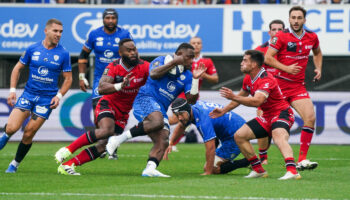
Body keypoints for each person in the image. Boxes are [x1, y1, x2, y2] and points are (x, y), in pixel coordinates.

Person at [106, 43, 206, 177]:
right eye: (189, 57)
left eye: (193, 58)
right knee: (158, 121)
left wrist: (195, 79)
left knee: (163, 139)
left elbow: (191, 100)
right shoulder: (161, 60)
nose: (192, 61)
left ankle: (150, 168)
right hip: (145, 99)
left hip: (160, 109)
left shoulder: (188, 75)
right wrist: (173, 63)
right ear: (179, 56)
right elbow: (153, 74)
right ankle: (117, 140)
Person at [54, 39, 149, 175]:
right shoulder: (113, 66)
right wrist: (120, 85)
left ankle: (68, 165)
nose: (133, 52)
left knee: (103, 146)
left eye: (134, 49)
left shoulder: (144, 66)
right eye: (129, 50)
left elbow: (157, 75)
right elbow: (102, 87)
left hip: (124, 112)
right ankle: (68, 149)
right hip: (108, 104)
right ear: (120, 53)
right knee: (106, 130)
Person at [210, 50, 301, 180]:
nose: (241, 63)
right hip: (267, 116)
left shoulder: (266, 79)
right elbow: (241, 97)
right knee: (239, 136)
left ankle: (292, 171)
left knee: (278, 136)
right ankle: (258, 170)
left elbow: (257, 101)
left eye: (244, 60)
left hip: (282, 113)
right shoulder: (249, 78)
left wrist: (234, 96)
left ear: (253, 64)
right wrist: (224, 110)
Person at [0, 19, 72, 173]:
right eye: (55, 31)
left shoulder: (63, 53)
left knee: (29, 133)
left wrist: (58, 96)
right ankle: (5, 136)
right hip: (29, 94)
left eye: (60, 32)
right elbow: (17, 68)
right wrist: (12, 90)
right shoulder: (33, 48)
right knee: (11, 128)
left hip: (46, 100)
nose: (58, 34)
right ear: (46, 31)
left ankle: (14, 164)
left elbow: (68, 79)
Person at [265, 6, 323, 170]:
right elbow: (268, 58)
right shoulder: (281, 37)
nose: (296, 21)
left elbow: (317, 53)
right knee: (267, 124)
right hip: (279, 86)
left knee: (310, 118)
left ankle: (302, 159)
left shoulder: (312, 37)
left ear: (304, 20)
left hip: (297, 87)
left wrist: (318, 68)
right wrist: (286, 68)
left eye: (299, 18)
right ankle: (261, 157)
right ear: (289, 19)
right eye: (293, 18)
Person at [78, 8, 132, 160]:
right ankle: (102, 144)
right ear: (103, 19)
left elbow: (132, 54)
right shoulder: (94, 34)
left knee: (118, 113)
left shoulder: (124, 34)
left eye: (113, 18)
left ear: (117, 20)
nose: (110, 21)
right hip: (100, 80)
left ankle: (112, 147)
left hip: (119, 80)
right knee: (99, 110)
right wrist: (82, 76)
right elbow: (83, 55)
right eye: (107, 18)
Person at [164, 99, 249, 175]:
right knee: (211, 156)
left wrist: (208, 171)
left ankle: (248, 161)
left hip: (236, 135)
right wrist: (171, 142)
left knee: (212, 168)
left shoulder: (203, 120)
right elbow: (181, 126)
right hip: (236, 127)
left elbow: (210, 147)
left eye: (181, 114)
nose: (179, 118)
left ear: (188, 110)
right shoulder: (192, 107)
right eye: (176, 115)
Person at [169, 36, 219, 150]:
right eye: (193, 43)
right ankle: (159, 126)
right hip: (180, 93)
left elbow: (215, 79)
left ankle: (170, 143)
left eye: (198, 43)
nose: (196, 45)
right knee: (179, 119)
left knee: (185, 120)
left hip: (193, 95)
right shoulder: (183, 60)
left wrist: (204, 75)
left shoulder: (207, 61)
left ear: (202, 46)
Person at [254, 19, 285, 165]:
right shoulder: (260, 50)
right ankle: (263, 157)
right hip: (265, 94)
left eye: (280, 30)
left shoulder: (287, 50)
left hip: (283, 94)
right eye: (274, 29)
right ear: (269, 32)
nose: (277, 32)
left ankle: (291, 157)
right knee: (262, 123)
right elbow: (252, 72)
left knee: (279, 127)